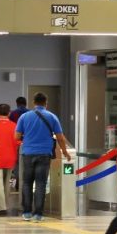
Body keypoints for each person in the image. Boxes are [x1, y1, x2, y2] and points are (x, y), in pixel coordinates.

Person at [14, 92, 71, 222]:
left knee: (27, 183)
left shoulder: (24, 117)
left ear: (33, 103)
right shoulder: (52, 117)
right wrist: (65, 152)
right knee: (41, 184)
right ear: (46, 103)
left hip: (28, 153)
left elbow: (16, 137)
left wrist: (27, 137)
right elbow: (60, 137)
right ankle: (38, 215)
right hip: (45, 154)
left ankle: (27, 213)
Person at [8, 96, 29, 190]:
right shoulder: (30, 113)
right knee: (28, 163)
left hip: (16, 141)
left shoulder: (13, 114)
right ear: (26, 103)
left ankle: (18, 184)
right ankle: (26, 184)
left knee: (16, 163)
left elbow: (11, 128)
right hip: (28, 142)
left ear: (17, 103)